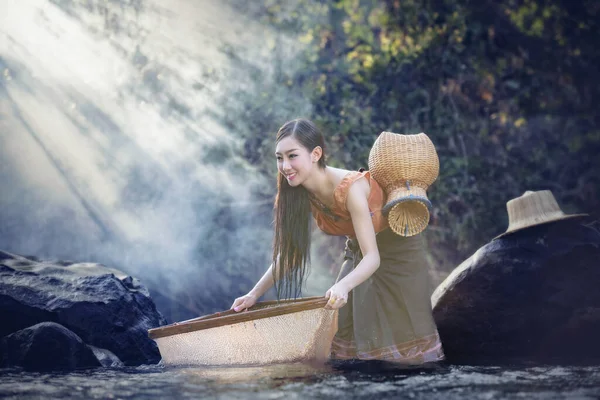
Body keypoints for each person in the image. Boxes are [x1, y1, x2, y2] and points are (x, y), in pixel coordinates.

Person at [231, 118, 444, 364]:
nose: (285, 165)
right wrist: (254, 294)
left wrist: (343, 286)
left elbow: (373, 257)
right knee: (347, 332)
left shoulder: (351, 188)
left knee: (407, 340)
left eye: (292, 156)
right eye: (279, 158)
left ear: (316, 154)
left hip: (398, 252)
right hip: (358, 252)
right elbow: (290, 255)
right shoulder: (299, 193)